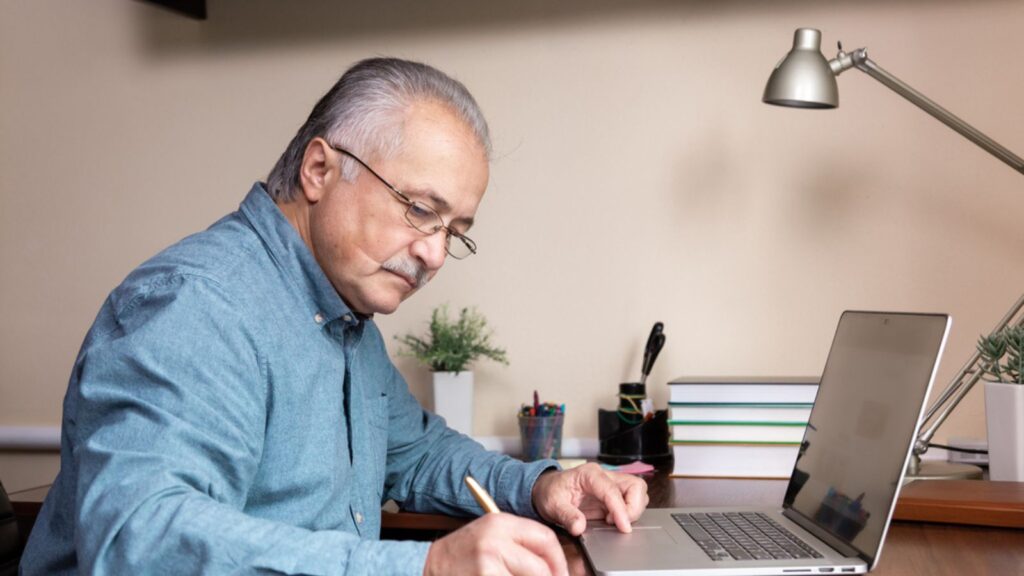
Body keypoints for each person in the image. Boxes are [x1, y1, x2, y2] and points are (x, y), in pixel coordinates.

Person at [21, 58, 648, 575]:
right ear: (319, 169)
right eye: (419, 209)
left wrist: (541, 488)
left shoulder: (344, 317)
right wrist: (424, 568)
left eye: (454, 230)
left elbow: (419, 452)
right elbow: (142, 540)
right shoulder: (196, 304)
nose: (434, 252)